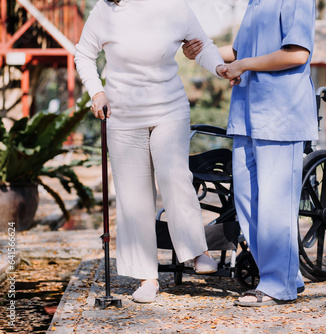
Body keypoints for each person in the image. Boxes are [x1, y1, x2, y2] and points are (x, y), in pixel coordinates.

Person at [74, 0, 226, 303]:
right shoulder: (106, 10)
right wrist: (96, 91)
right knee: (133, 197)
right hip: (122, 114)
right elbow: (84, 54)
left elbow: (203, 45)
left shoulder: (174, 6)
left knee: (173, 174)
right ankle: (147, 278)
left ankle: (197, 251)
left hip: (169, 108)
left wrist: (220, 68)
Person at [184, 0, 316, 306]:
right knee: (246, 201)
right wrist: (204, 50)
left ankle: (276, 285)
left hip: (281, 114)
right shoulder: (255, 3)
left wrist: (243, 65)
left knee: (274, 205)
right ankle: (286, 277)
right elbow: (241, 51)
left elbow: (297, 54)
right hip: (246, 116)